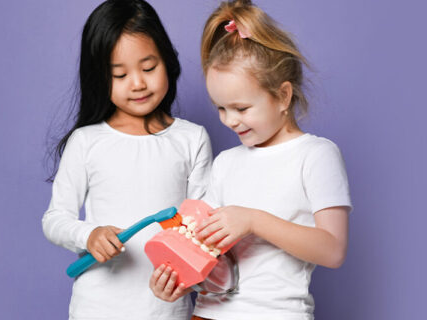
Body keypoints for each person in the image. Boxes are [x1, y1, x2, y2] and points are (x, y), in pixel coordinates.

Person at [149, 1, 352, 319]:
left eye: (241, 108)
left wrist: (253, 221)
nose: (229, 120)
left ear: (283, 96)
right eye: (220, 107)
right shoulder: (226, 163)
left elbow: (333, 249)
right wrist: (180, 279)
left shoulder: (315, 155)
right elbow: (211, 260)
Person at [42, 1, 212, 319]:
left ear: (168, 61)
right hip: (96, 309)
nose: (137, 83)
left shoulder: (192, 139)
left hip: (166, 309)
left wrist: (196, 284)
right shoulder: (87, 142)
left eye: (148, 68)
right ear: (99, 79)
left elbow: (202, 231)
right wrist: (88, 235)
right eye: (119, 74)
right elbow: (54, 220)